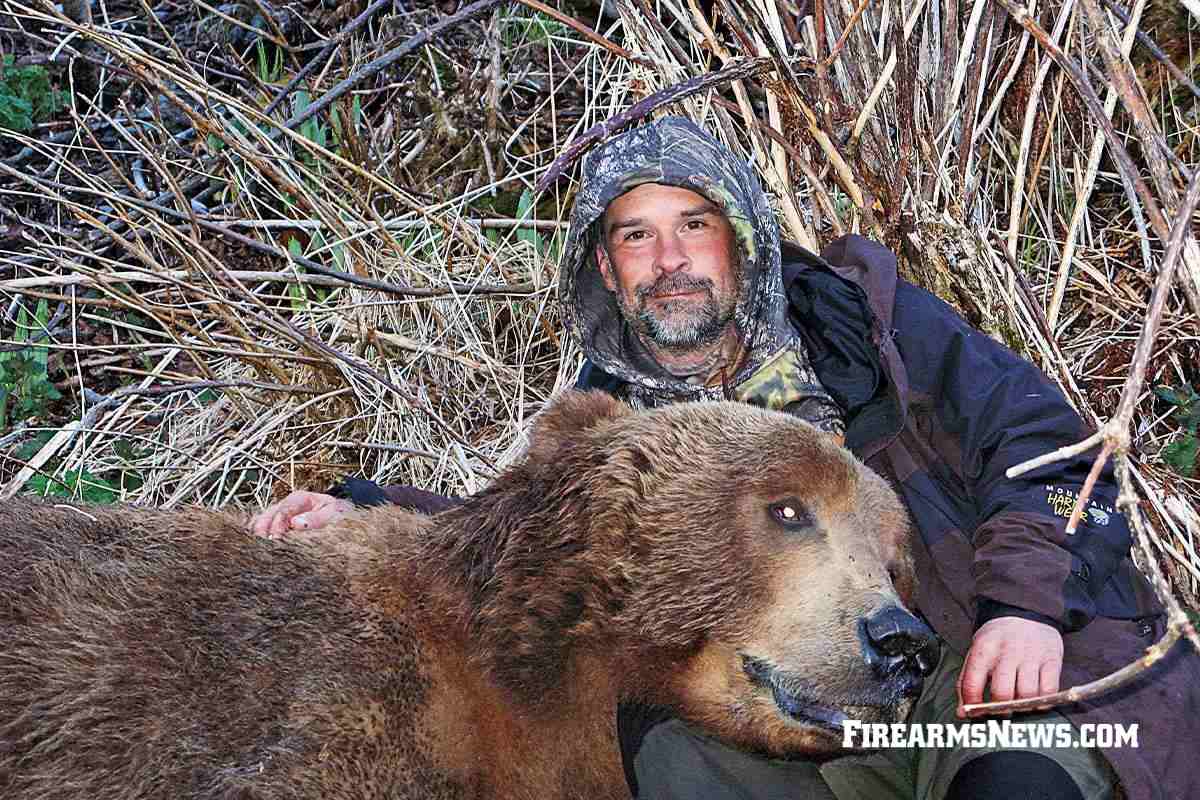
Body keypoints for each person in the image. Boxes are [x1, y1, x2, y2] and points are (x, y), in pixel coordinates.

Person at [251, 116, 1199, 799]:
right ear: (605, 268)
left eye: (692, 224)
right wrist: (366, 507)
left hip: (973, 663)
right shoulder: (608, 419)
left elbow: (1048, 447)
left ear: (740, 237)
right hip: (797, 714)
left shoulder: (869, 325)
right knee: (668, 762)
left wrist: (1025, 610)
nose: (669, 258)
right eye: (635, 234)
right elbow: (504, 544)